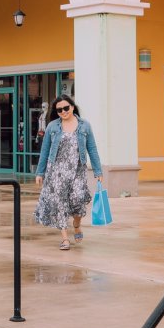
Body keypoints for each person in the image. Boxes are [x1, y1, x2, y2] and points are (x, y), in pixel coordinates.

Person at [34, 94, 103, 250]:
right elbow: (44, 151)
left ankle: (77, 224)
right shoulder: (52, 126)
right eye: (59, 110)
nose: (63, 112)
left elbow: (92, 148)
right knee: (60, 204)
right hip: (56, 171)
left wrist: (98, 170)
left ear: (72, 107)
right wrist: (40, 173)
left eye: (66, 108)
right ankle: (65, 238)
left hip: (77, 170)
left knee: (78, 199)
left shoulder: (84, 125)